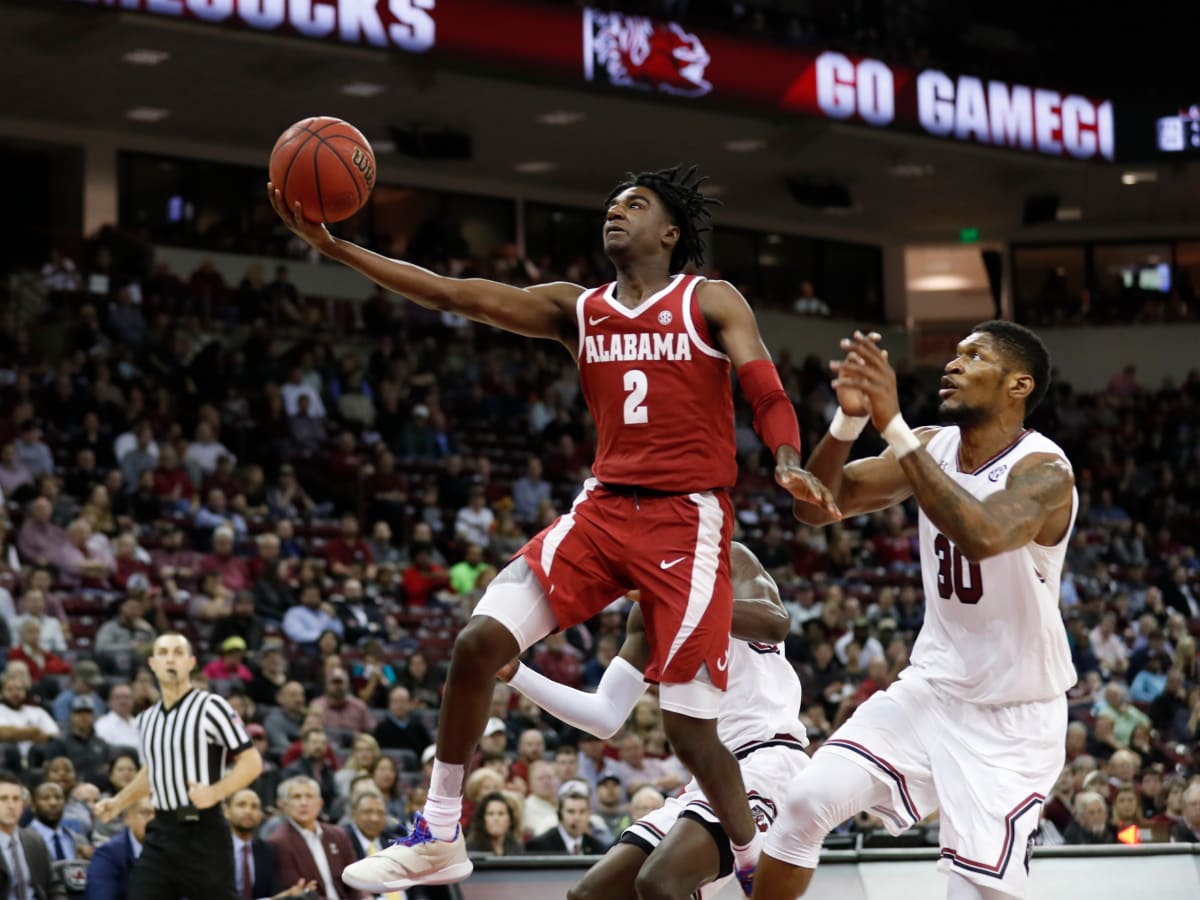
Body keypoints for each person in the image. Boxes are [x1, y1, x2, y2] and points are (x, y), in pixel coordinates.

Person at [272, 166, 838, 894]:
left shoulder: (710, 299)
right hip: (601, 510)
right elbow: (448, 292)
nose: (614, 211)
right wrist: (336, 246)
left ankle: (754, 862)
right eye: (611, 201)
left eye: (634, 204)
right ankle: (440, 832)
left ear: (670, 233)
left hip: (685, 516)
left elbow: (766, 388)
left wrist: (787, 454)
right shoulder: (579, 309)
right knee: (478, 642)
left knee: (689, 729)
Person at [753, 323, 1076, 900]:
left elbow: (983, 532)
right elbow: (819, 508)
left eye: (973, 356)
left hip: (1013, 719)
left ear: (1018, 384)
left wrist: (894, 427)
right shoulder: (930, 446)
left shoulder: (1046, 472)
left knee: (975, 893)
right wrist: (850, 421)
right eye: (954, 353)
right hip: (931, 690)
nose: (952, 365)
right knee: (804, 803)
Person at [505, 542, 805, 900]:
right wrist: (516, 674)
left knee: (659, 883)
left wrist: (677, 601)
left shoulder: (726, 557)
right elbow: (604, 716)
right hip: (708, 778)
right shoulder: (644, 614)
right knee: (590, 894)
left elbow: (776, 624)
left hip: (768, 759)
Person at [93, 633, 263, 899]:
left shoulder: (212, 706)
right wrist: (118, 802)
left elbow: (252, 762)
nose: (170, 658)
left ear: (190, 663)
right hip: (161, 831)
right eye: (163, 653)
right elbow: (153, 770)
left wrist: (215, 793)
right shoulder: (146, 719)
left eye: (177, 652)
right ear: (152, 663)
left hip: (204, 831)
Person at [267, 776, 364, 900]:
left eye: (309, 796)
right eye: (297, 797)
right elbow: (299, 892)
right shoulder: (278, 842)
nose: (304, 803)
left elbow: (356, 879)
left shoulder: (338, 834)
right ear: (283, 804)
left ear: (320, 803)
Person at [226, 788, 315, 900]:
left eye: (254, 807)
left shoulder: (266, 849)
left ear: (260, 814)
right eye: (241, 805)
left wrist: (289, 895)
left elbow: (273, 893)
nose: (248, 811)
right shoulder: (213, 850)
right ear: (226, 811)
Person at [0, 770, 67, 900]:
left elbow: (54, 886)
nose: (11, 805)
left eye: (16, 799)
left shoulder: (34, 840)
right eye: (3, 799)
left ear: (23, 805)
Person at [83, 797, 154, 900]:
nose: (153, 819)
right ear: (127, 818)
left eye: (158, 815)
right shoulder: (108, 854)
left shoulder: (171, 850)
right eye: (145, 813)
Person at [525, 789, 607, 855]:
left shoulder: (598, 848)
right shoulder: (539, 846)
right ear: (560, 815)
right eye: (571, 812)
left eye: (582, 812)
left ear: (589, 815)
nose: (577, 818)